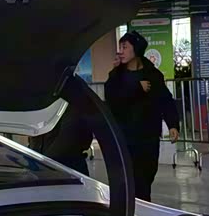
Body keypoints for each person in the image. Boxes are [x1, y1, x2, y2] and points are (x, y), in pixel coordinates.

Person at [104, 31, 180, 201]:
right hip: (125, 136)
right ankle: (133, 210)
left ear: (136, 49)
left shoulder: (152, 75)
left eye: (125, 47)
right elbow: (112, 98)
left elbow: (165, 100)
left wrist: (173, 124)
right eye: (120, 47)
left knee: (146, 177)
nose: (121, 51)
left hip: (148, 136)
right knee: (129, 179)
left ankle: (143, 208)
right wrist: (136, 88)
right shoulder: (117, 75)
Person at [31, 100, 93, 176]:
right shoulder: (42, 106)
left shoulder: (73, 107)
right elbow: (35, 135)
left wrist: (41, 164)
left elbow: (66, 141)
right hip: (44, 166)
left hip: (66, 168)